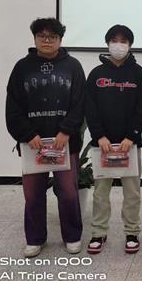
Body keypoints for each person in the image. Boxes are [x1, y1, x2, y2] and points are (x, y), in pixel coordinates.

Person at [6, 17, 85, 258]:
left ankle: (72, 236)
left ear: (60, 40)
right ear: (35, 39)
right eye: (42, 36)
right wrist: (28, 135)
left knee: (68, 192)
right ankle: (35, 239)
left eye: (52, 36)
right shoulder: (22, 67)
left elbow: (80, 103)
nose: (47, 40)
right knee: (32, 194)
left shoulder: (73, 66)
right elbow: (13, 107)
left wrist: (66, 131)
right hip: (33, 144)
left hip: (65, 142)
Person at [85, 25, 142, 255]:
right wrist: (99, 136)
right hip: (102, 145)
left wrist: (131, 136)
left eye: (123, 41)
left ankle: (132, 232)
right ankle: (98, 232)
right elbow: (90, 108)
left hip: (129, 144)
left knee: (132, 192)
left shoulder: (138, 73)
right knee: (100, 193)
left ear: (130, 45)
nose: (118, 45)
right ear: (107, 43)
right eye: (114, 40)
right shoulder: (96, 74)